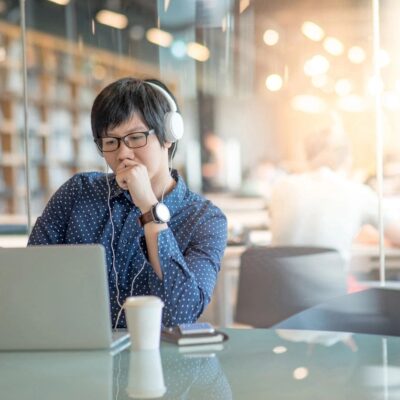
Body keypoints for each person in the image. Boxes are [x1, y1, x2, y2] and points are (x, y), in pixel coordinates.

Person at [28, 77, 227, 328]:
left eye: (135, 138)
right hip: (76, 352)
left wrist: (148, 207)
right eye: (111, 142)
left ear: (168, 137)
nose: (122, 154)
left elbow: (180, 314)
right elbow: (31, 284)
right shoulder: (77, 194)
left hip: (161, 360)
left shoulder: (204, 219)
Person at [269, 125, 400, 262]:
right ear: (347, 159)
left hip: (279, 281)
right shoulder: (357, 192)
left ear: (307, 156)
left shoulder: (281, 187)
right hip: (330, 281)